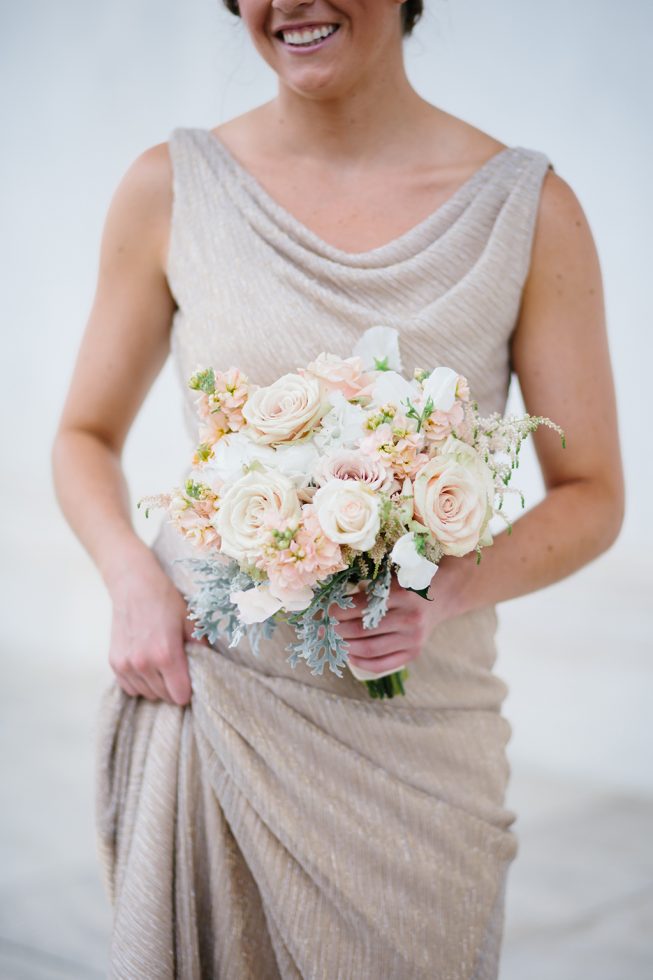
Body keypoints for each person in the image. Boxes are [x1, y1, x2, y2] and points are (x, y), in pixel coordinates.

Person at [51, 1, 624, 977]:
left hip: (415, 733)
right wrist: (130, 578)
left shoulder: (529, 209)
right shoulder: (169, 188)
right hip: (212, 695)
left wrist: (441, 594)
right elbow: (83, 434)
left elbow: (591, 490)